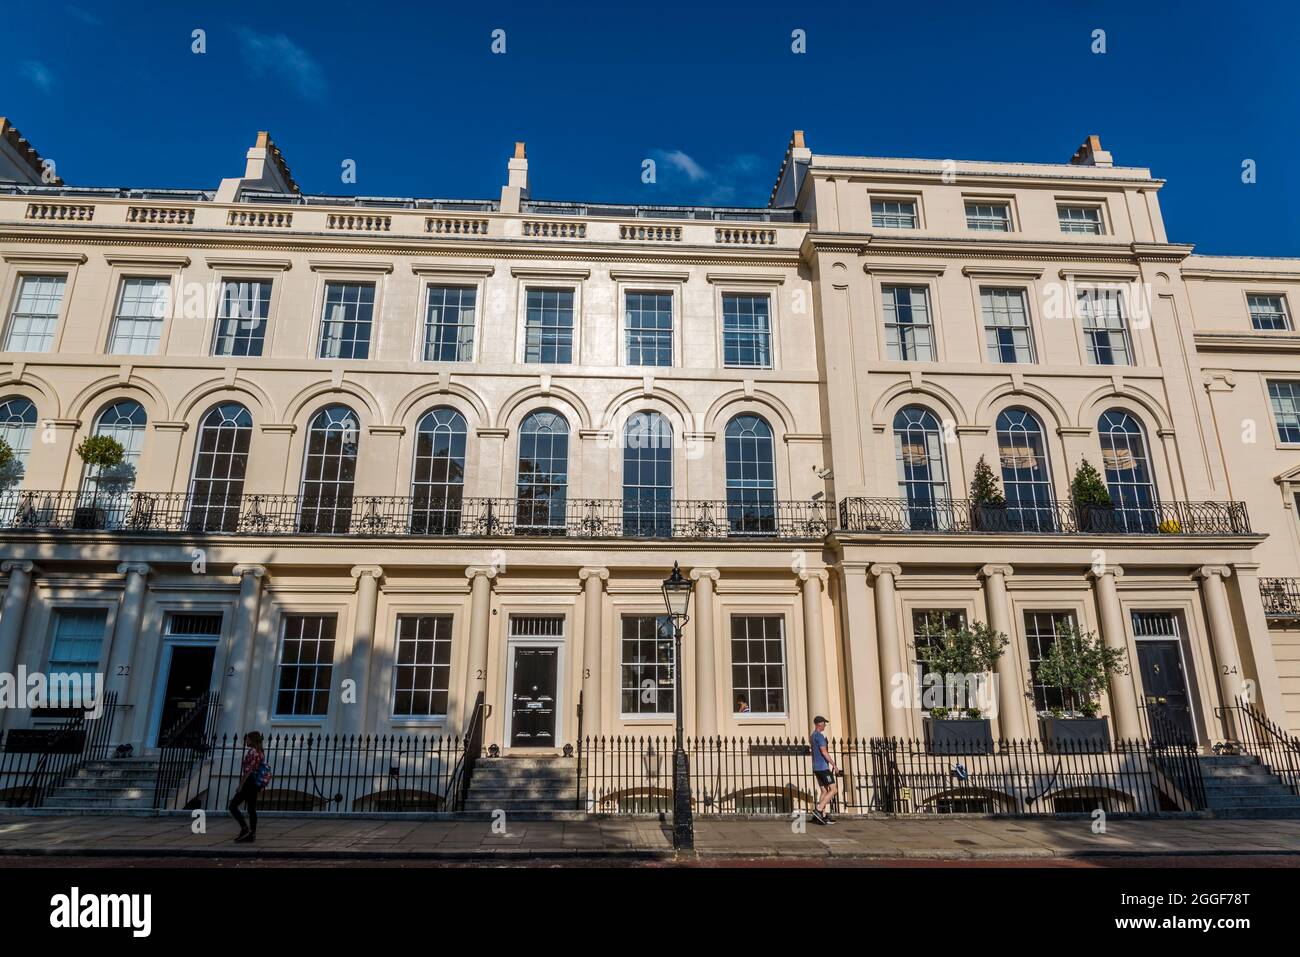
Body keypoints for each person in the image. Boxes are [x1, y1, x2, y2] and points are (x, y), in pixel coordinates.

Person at [230, 731, 268, 843]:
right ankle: (252, 834)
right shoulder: (261, 752)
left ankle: (244, 828)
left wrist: (241, 785)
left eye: (247, 739)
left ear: (252, 740)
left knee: (232, 806)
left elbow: (248, 770)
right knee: (251, 809)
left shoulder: (252, 752)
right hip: (255, 782)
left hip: (249, 782)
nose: (246, 740)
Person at [809, 716, 838, 825]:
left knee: (824, 791)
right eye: (824, 723)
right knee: (834, 790)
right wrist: (834, 765)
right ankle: (819, 810)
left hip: (816, 767)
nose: (825, 725)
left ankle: (823, 816)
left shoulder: (812, 736)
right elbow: (824, 752)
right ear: (819, 724)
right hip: (823, 767)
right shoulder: (820, 736)